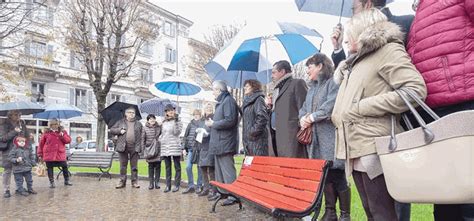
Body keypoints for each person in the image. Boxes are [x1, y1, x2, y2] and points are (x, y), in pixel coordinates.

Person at [331, 9, 427, 221]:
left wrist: (362, 106)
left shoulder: (387, 51)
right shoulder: (357, 61)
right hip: (355, 146)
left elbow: (414, 90)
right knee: (370, 211)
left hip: (374, 145)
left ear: (363, 31)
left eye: (350, 33)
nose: (346, 39)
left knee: (381, 211)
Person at [407, 0, 474, 220]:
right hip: (433, 109)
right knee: (445, 190)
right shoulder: (421, 7)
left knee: (467, 188)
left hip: (462, 100)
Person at [298, 53, 350, 221]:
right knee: (325, 175)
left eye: (310, 67)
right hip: (315, 140)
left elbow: (331, 105)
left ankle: (344, 215)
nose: (307, 71)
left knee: (337, 174)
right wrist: (303, 118)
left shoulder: (333, 82)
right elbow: (304, 107)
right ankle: (330, 212)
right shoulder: (311, 88)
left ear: (320, 66)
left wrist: (312, 117)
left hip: (330, 137)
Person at [207, 80, 240, 206]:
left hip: (225, 143)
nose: (212, 92)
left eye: (213, 90)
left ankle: (233, 196)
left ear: (219, 90)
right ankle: (224, 193)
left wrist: (213, 124)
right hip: (219, 143)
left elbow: (230, 120)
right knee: (220, 172)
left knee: (228, 171)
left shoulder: (228, 101)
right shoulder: (222, 102)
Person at [269, 60, 308, 158]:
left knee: (293, 167)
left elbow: (303, 108)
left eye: (274, 72)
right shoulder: (276, 89)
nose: (271, 76)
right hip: (277, 135)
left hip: (291, 136)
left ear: (282, 72)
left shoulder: (297, 83)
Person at [109, 107, 143, 189]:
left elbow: (142, 135)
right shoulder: (120, 122)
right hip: (122, 146)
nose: (132, 114)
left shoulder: (138, 124)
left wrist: (140, 146)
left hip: (135, 147)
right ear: (126, 113)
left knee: (134, 166)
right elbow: (112, 130)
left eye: (133, 113)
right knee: (123, 166)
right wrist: (119, 131)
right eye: (130, 112)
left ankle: (134, 182)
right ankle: (122, 181)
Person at [0, 110, 30, 198]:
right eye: (16, 114)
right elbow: (2, 138)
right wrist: (14, 131)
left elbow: (26, 137)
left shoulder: (22, 124)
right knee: (8, 171)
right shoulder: (4, 125)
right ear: (10, 115)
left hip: (20, 152)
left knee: (20, 170)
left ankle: (19, 188)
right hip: (8, 152)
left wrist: (27, 137)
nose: (18, 116)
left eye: (19, 114)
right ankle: (6, 190)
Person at [38, 118, 73, 188]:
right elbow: (41, 144)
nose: (54, 126)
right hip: (49, 154)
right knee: (50, 168)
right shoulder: (46, 133)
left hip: (59, 153)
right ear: (50, 125)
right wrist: (40, 154)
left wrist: (62, 135)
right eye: (53, 124)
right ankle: (51, 182)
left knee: (64, 166)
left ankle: (66, 180)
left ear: (58, 124)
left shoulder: (63, 132)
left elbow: (68, 141)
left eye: (56, 124)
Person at [159, 104, 183, 193]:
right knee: (167, 167)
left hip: (175, 146)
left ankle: (176, 185)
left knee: (177, 167)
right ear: (166, 113)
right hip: (165, 146)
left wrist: (176, 121)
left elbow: (177, 132)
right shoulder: (163, 122)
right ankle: (168, 185)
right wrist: (160, 139)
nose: (171, 112)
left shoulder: (178, 120)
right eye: (169, 110)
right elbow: (162, 133)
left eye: (172, 110)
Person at [242, 79, 269, 156]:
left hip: (257, 140)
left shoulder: (259, 99)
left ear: (253, 87)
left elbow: (262, 117)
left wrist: (252, 132)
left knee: (258, 164)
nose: (244, 88)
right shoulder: (247, 101)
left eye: (247, 86)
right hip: (249, 141)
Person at [197, 104, 217, 199]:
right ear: (204, 110)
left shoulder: (214, 119)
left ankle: (213, 189)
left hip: (210, 146)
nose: (209, 110)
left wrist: (207, 134)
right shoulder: (201, 121)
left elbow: (216, 131)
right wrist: (198, 133)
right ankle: (206, 188)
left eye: (210, 108)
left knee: (211, 169)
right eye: (207, 108)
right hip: (202, 147)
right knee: (203, 169)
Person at [182, 109, 204, 194]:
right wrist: (184, 148)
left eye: (197, 114)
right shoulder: (190, 124)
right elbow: (185, 136)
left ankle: (199, 186)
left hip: (199, 149)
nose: (196, 116)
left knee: (199, 168)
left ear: (200, 115)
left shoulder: (203, 124)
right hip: (191, 149)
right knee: (188, 167)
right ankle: (190, 185)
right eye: (194, 114)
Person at [141, 114, 162, 190]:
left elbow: (162, 133)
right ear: (148, 120)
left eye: (153, 119)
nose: (152, 120)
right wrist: (143, 150)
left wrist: (161, 125)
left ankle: (157, 183)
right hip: (149, 149)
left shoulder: (158, 127)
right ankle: (151, 183)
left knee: (158, 167)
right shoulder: (144, 128)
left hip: (157, 149)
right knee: (150, 167)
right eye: (150, 119)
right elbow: (142, 139)